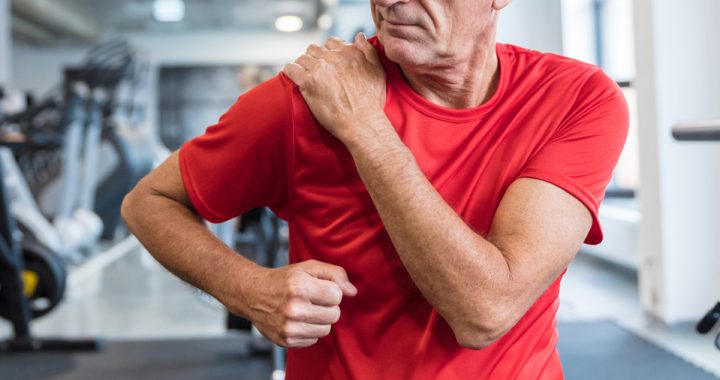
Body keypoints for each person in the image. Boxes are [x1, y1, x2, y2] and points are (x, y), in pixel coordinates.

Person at [121, 0, 629, 378]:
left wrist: (365, 126)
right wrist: (249, 290)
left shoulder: (576, 99)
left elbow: (485, 311)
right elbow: (150, 201)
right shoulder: (301, 99)